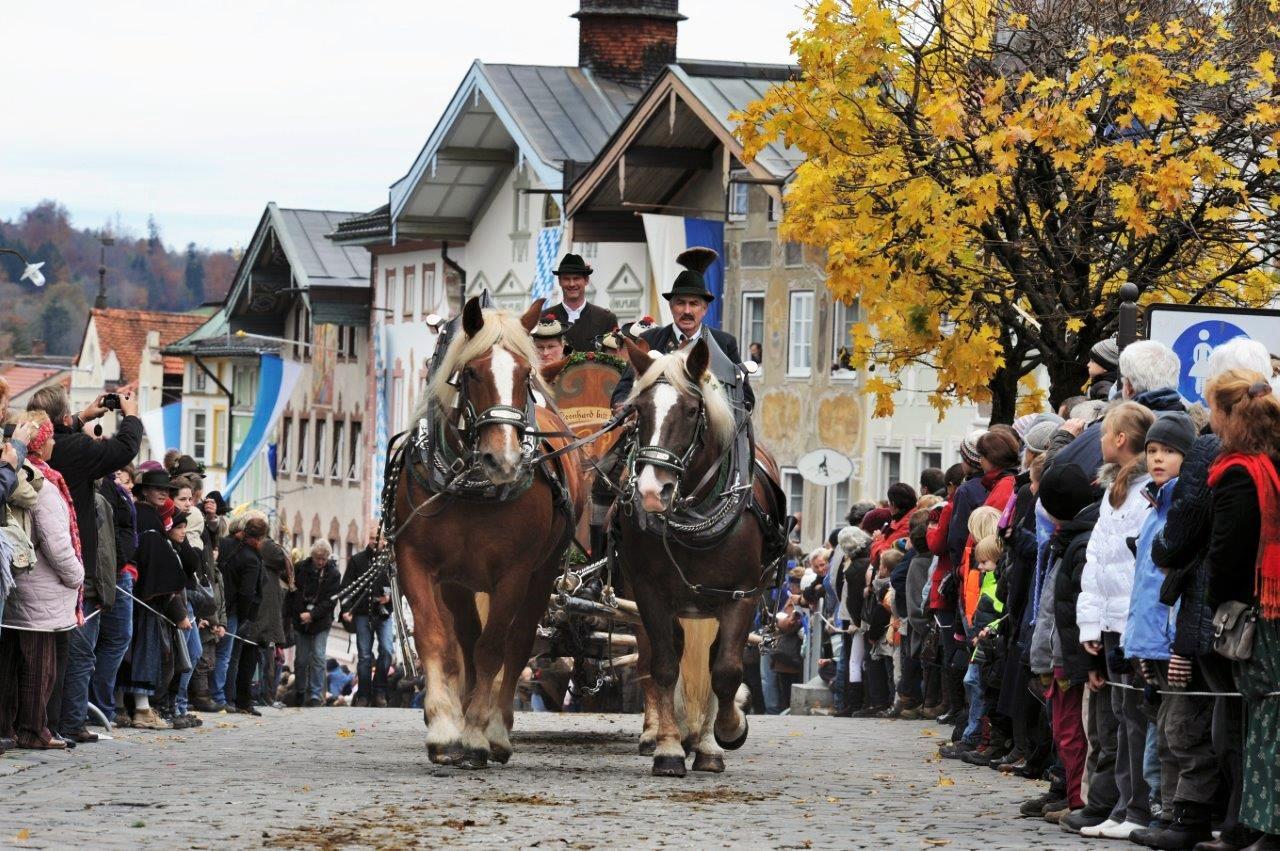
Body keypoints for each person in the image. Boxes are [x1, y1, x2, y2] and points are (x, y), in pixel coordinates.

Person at [1203, 368, 1280, 850]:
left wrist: (1217, 602)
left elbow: (1227, 549)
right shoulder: (1272, 463)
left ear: (1229, 414)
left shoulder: (1240, 472)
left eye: (1212, 409)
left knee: (1267, 717)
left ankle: (1269, 828)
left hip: (1263, 609)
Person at [1074, 402, 1156, 839]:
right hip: (1110, 622)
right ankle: (1124, 804)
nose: (1101, 441)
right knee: (1121, 716)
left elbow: (1134, 565)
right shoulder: (1112, 492)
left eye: (1106, 433)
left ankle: (1138, 806)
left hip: (1133, 623)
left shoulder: (1146, 492)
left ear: (1121, 439)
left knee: (1136, 716)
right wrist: (1092, 624)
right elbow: (1096, 562)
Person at [0, 412, 83, 749]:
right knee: (38, 668)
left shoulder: (25, 475)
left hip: (23, 588)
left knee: (10, 666)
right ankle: (33, 730)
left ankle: (9, 727)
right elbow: (55, 542)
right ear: (36, 442)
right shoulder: (42, 484)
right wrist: (77, 575)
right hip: (42, 590)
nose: (53, 443)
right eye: (48, 437)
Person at [610, 247, 753, 411]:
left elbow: (746, 398)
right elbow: (622, 390)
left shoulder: (725, 343)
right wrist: (621, 405)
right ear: (671, 307)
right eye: (680, 303)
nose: (687, 311)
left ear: (704, 309)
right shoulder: (650, 339)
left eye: (694, 304)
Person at [124, 471, 189, 729]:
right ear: (144, 490)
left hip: (141, 591)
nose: (163, 493)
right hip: (147, 596)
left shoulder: (148, 515)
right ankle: (141, 709)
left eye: (166, 490)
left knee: (130, 652)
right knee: (144, 651)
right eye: (156, 489)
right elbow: (157, 563)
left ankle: (126, 707)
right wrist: (176, 610)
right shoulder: (147, 516)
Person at [340, 530, 394, 707]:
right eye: (371, 537)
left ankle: (379, 691)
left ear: (384, 541)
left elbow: (400, 585)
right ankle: (363, 695)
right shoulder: (357, 560)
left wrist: (390, 597)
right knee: (364, 656)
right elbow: (346, 587)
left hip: (384, 613)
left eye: (378, 538)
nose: (374, 541)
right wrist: (346, 609)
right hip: (363, 613)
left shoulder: (390, 561)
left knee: (386, 650)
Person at [221, 516, 267, 715]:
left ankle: (226, 696)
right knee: (231, 657)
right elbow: (247, 592)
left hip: (227, 605)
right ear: (260, 538)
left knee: (227, 656)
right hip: (238, 611)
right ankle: (227, 697)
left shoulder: (233, 548)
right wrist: (246, 616)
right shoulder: (251, 558)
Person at [288, 540, 340, 707]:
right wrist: (300, 613)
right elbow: (293, 593)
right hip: (300, 619)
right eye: (318, 558)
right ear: (313, 556)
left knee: (318, 656)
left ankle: (316, 694)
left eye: (324, 559)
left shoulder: (333, 574)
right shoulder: (301, 568)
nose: (320, 562)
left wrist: (312, 614)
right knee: (301, 660)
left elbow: (331, 601)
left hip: (321, 621)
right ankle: (301, 691)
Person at [542, 253, 617, 354]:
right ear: (559, 281)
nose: (572, 284)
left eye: (576, 278)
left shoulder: (606, 319)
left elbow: (614, 360)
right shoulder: (543, 318)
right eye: (566, 279)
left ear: (586, 280)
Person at [1088, 336, 1121, 401]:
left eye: (1092, 361)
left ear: (1106, 366)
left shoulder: (1103, 386)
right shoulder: (1111, 383)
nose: (1088, 365)